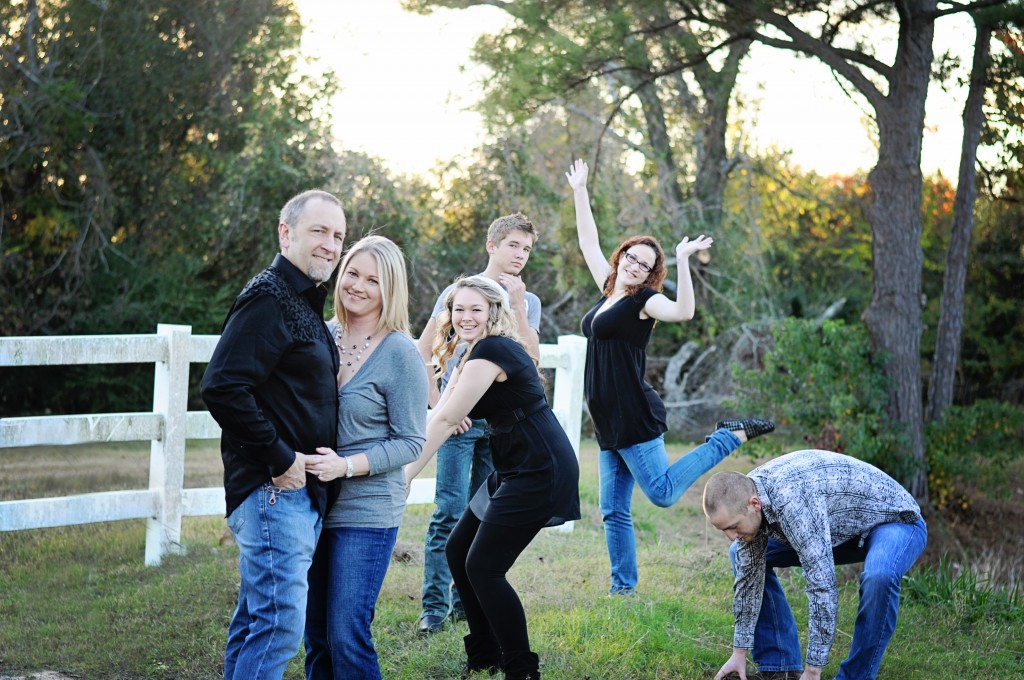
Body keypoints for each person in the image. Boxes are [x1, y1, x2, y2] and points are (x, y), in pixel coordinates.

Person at [565, 158, 774, 596]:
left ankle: (726, 439)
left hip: (634, 414)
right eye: (631, 258)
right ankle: (624, 591)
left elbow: (685, 311)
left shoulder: (647, 302)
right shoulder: (607, 289)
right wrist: (580, 190)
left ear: (650, 273)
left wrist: (680, 260)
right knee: (613, 511)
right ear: (621, 257)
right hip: (607, 421)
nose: (635, 267)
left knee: (660, 492)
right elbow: (588, 240)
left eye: (645, 264)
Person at [201, 189, 347, 680]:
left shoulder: (302, 300)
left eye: (338, 235)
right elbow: (222, 386)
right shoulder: (270, 297)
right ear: (286, 233)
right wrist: (282, 458)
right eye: (319, 231)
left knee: (256, 623)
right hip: (272, 491)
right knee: (282, 626)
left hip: (293, 495)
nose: (330, 244)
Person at [405, 275, 579, 680]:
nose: (465, 317)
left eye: (475, 309)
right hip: (513, 465)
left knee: (483, 566)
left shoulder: (494, 349)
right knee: (457, 550)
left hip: (540, 468)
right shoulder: (471, 351)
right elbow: (441, 409)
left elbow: (448, 420)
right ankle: (484, 655)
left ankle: (521, 670)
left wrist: (406, 477)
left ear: (492, 312)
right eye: (458, 309)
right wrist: (405, 465)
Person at [303, 235, 429, 680]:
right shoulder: (321, 334)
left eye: (372, 280)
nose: (357, 286)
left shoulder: (400, 354)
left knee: (346, 634)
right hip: (314, 503)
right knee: (315, 635)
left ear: (389, 289)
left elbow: (413, 442)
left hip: (368, 510)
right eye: (352, 273)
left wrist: (347, 465)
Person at [416, 213, 543, 635]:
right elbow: (425, 351)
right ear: (492, 246)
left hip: (500, 427)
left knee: (482, 516)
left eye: (526, 249)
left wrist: (521, 307)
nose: (520, 255)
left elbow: (532, 358)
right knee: (448, 511)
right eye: (513, 246)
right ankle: (432, 607)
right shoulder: (459, 292)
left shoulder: (529, 299)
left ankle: (464, 604)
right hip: (458, 423)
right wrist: (440, 405)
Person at [702, 450, 928, 680]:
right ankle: (780, 666)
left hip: (894, 521)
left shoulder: (792, 502)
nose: (731, 535)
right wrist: (739, 651)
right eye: (724, 530)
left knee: (880, 576)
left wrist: (813, 671)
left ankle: (855, 676)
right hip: (839, 529)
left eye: (733, 526)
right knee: (737, 554)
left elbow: (822, 585)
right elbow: (749, 578)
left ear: (754, 504)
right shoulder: (746, 497)